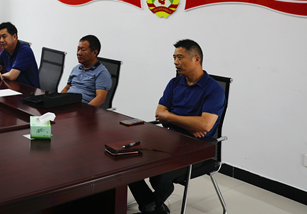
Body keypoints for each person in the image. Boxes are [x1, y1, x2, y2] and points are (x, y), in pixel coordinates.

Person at [128, 39, 225, 214]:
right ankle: (152, 206)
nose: (175, 62)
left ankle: (153, 206)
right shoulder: (174, 83)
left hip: (198, 148)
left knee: (160, 176)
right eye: (174, 57)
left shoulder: (214, 90)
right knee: (127, 162)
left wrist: (170, 117)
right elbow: (159, 113)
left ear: (196, 59)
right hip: (170, 140)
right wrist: (188, 124)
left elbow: (204, 125)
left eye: (180, 57)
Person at [60, 35, 111, 107]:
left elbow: (100, 98)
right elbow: (67, 88)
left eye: (83, 50)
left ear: (94, 52)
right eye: (78, 49)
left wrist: (83, 111)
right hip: (67, 105)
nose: (79, 53)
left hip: (82, 108)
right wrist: (57, 101)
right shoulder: (76, 68)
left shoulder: (102, 73)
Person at [0, 22, 40, 88]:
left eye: (4, 36)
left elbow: (12, 76)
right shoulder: (6, 50)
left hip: (29, 91)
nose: (1, 40)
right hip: (13, 87)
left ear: (14, 36)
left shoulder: (25, 51)